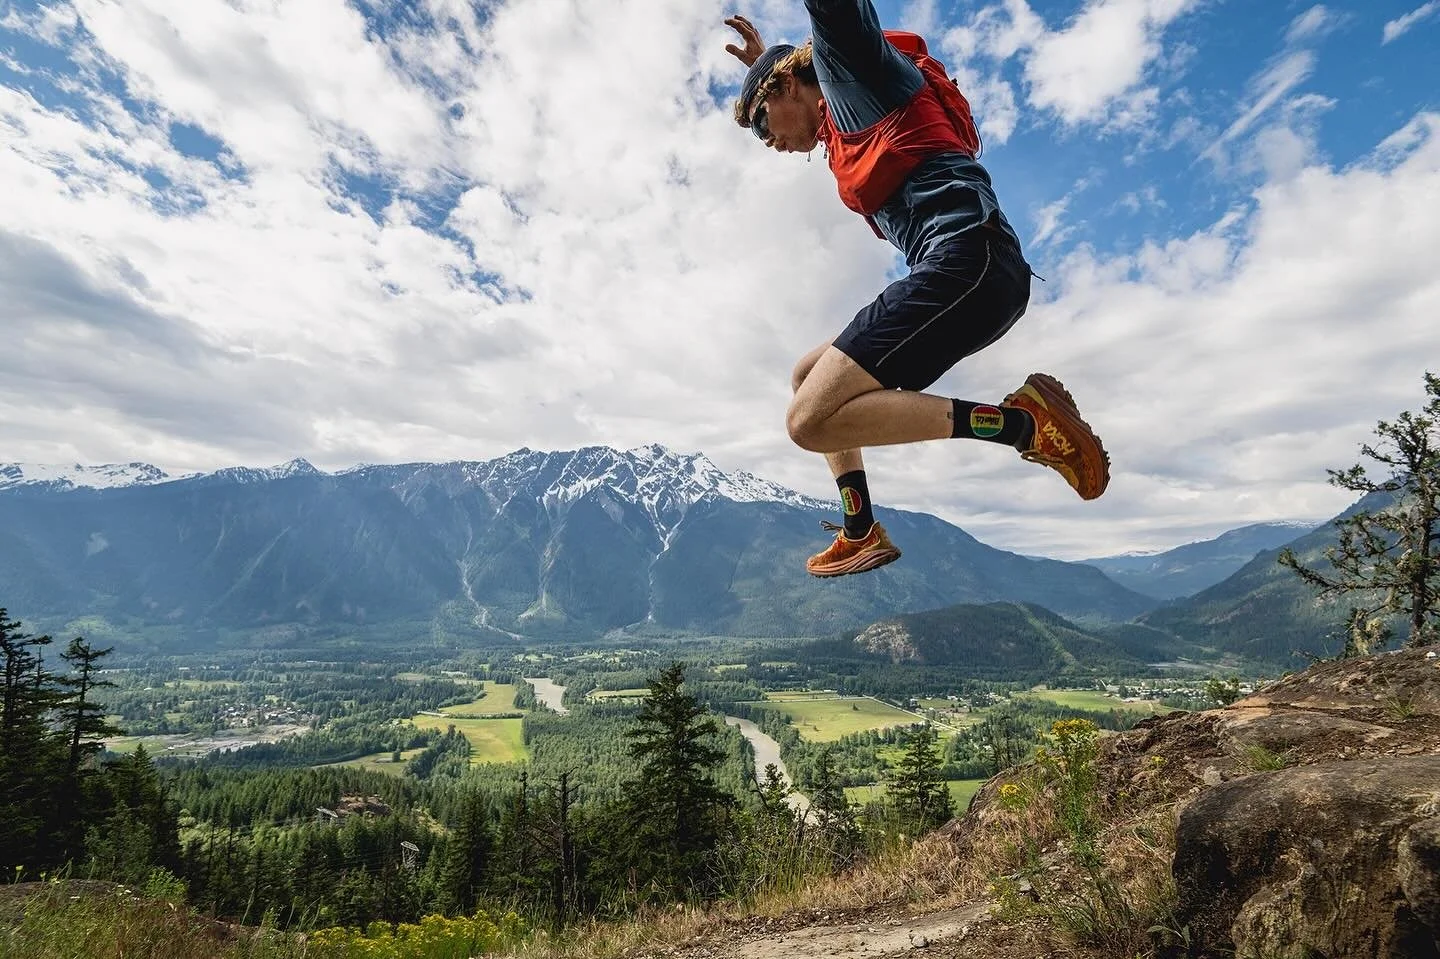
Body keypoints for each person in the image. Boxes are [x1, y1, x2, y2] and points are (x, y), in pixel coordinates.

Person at [724, 4, 1110, 578]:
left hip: (968, 260)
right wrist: (763, 65)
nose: (765, 142)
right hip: (967, 273)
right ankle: (860, 530)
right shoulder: (835, 115)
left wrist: (791, 59)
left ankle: (1027, 426)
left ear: (788, 87)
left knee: (807, 422)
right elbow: (794, 89)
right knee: (808, 375)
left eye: (760, 124)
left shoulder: (851, 71)